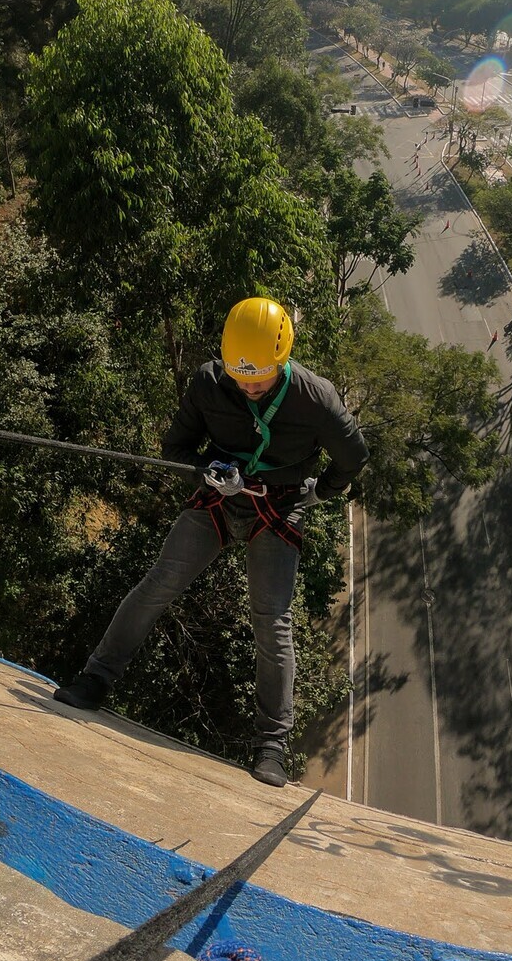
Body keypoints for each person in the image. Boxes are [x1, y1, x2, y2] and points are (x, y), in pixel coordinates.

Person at [54, 296, 369, 789]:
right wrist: (209, 471)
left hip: (278, 507)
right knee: (160, 582)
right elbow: (175, 448)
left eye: (260, 379)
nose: (248, 387)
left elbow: (353, 456)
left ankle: (271, 745)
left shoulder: (316, 398)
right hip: (219, 496)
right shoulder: (209, 382)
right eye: (239, 377)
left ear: (282, 360)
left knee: (272, 620)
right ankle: (95, 678)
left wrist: (318, 492)